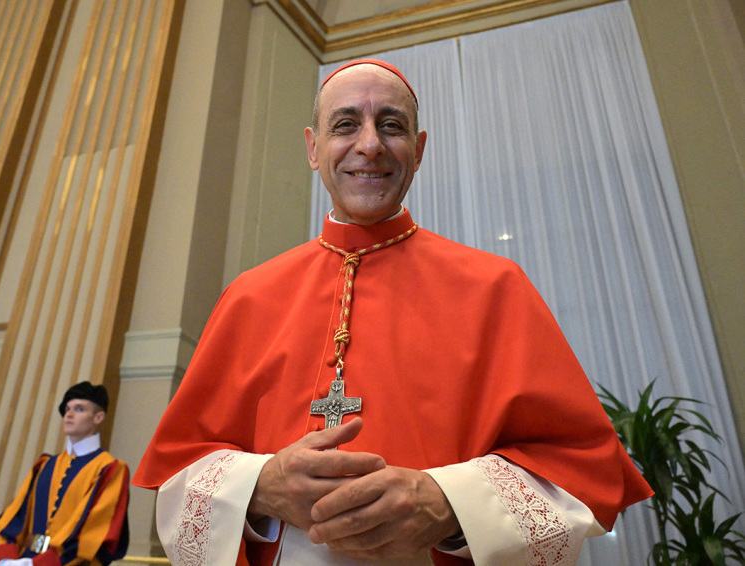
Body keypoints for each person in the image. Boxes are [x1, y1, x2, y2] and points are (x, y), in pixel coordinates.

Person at [133, 59, 652, 565]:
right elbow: (179, 474)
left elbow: (578, 470)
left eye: (391, 125)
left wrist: (447, 504)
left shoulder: (497, 288)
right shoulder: (249, 296)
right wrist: (261, 486)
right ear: (313, 148)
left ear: (418, 150)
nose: (370, 145)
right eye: (345, 125)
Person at [0, 381, 130, 566]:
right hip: (24, 559)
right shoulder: (45, 465)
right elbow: (16, 518)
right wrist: (6, 559)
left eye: (79, 409)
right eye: (67, 409)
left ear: (98, 417)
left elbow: (95, 534)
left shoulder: (109, 469)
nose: (68, 414)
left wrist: (36, 564)